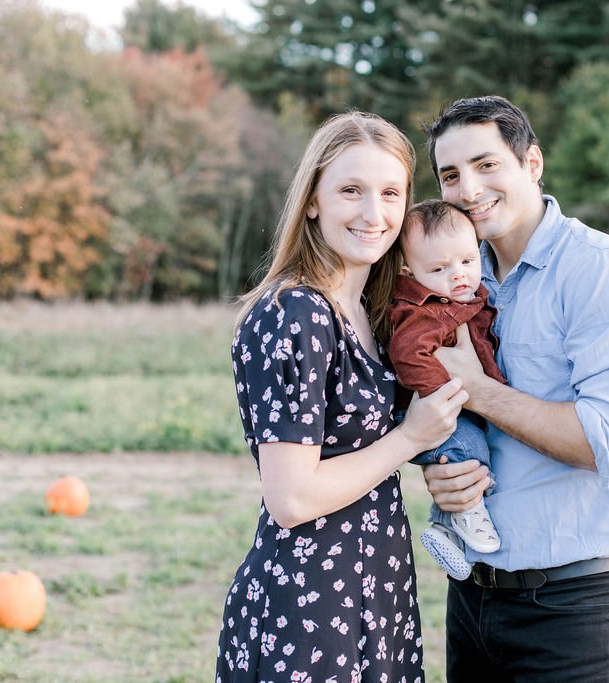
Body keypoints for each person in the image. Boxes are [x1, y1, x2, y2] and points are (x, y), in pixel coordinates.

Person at [421, 96, 609, 682]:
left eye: (487, 165)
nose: (469, 189)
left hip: (575, 605)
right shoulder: (456, 275)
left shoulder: (600, 272)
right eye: (451, 175)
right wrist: (441, 465)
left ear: (532, 163)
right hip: (474, 596)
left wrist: (480, 391)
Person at [216, 111, 468, 683]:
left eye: (390, 193)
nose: (373, 214)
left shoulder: (368, 313)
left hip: (375, 590)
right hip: (309, 609)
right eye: (350, 190)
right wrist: (410, 437)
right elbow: (292, 498)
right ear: (312, 200)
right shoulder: (295, 313)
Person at [388, 199, 507, 580]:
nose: (458, 275)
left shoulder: (466, 296)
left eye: (468, 262)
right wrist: (447, 398)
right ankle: (468, 515)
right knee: (468, 453)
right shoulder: (422, 310)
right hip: (436, 411)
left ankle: (446, 528)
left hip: (460, 407)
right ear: (410, 270)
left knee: (469, 448)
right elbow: (408, 354)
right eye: (440, 268)